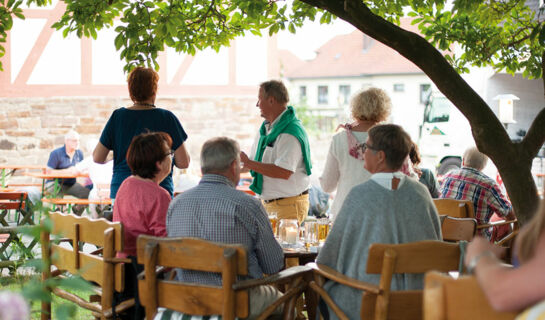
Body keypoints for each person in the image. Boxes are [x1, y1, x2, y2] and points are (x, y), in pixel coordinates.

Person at [316, 124, 442, 320]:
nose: (363, 152)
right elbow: (436, 248)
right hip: (418, 301)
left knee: (320, 287)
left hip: (368, 301)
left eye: (366, 147)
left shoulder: (359, 195)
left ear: (380, 156)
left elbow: (328, 259)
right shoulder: (421, 194)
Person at [167, 137, 284, 319]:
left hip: (188, 299)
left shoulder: (176, 204)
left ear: (202, 167)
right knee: (285, 301)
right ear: (233, 166)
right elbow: (273, 265)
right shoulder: (248, 205)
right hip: (237, 299)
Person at [93, 67, 190, 200]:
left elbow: (98, 157)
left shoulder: (118, 117)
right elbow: (184, 162)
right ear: (154, 91)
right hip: (159, 191)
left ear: (131, 92)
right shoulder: (167, 118)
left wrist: (118, 154)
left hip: (122, 191)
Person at [113, 131, 174, 320]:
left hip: (119, 270)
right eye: (169, 154)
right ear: (158, 163)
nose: (171, 158)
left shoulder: (126, 184)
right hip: (141, 276)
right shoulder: (159, 195)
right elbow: (165, 247)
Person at [240, 80, 312, 224]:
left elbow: (283, 172)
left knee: (284, 247)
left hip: (287, 206)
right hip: (268, 204)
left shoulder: (290, 132)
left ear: (271, 100)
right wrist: (231, 167)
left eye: (259, 100)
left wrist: (249, 163)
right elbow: (254, 163)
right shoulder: (266, 129)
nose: (257, 104)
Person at [319, 87, 391, 221]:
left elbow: (327, 185)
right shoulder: (391, 139)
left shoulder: (339, 140)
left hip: (345, 212)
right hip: (379, 214)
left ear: (355, 108)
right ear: (384, 109)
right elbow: (409, 178)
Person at [465, 195, 545, 313]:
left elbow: (501, 293)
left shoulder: (450, 176)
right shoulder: (488, 184)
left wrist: (480, 255)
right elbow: (509, 214)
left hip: (470, 236)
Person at [440, 146, 516, 239]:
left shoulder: (448, 176)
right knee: (504, 220)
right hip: (475, 240)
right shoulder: (488, 185)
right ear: (483, 165)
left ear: (463, 161)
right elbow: (510, 215)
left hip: (447, 234)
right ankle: (506, 252)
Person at [46, 130, 90, 199]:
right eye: (74, 141)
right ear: (66, 141)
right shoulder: (56, 153)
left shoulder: (79, 153)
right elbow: (48, 173)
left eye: (78, 141)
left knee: (87, 194)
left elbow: (82, 170)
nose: (77, 143)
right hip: (54, 183)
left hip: (71, 184)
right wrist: (68, 171)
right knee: (58, 196)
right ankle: (61, 209)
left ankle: (76, 209)